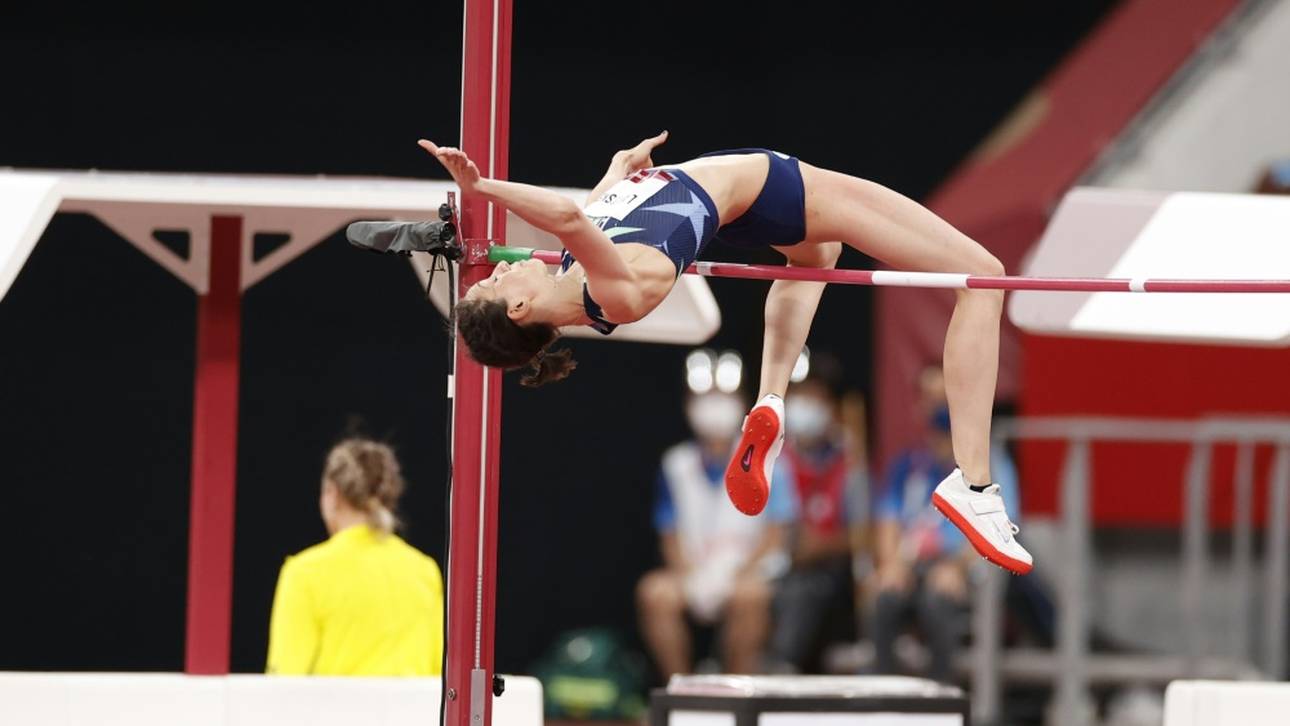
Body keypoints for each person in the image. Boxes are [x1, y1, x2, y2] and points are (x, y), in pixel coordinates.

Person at [420, 132, 1031, 575]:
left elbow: (591, 216)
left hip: (728, 201)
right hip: (766, 188)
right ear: (520, 313)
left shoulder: (582, 280)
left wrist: (616, 171)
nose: (508, 266)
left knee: (816, 259)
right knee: (981, 276)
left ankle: (770, 401)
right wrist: (479, 187)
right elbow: (563, 215)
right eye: (501, 284)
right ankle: (974, 483)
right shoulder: (606, 288)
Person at [636, 388, 796, 678]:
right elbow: (668, 534)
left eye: (724, 396)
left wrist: (741, 571)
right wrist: (689, 572)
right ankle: (681, 689)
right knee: (654, 593)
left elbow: (776, 536)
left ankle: (733, 689)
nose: (714, 407)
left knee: (751, 596)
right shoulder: (676, 464)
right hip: (694, 568)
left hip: (746, 569)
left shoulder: (770, 460)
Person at [869, 384, 1021, 683]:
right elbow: (888, 520)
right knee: (884, 596)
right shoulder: (909, 465)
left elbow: (999, 528)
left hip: (964, 567)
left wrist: (957, 567)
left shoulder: (990, 467)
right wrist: (892, 566)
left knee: (936, 599)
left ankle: (941, 694)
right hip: (914, 564)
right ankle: (881, 691)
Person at [267, 438, 444, 675]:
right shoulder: (424, 571)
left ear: (332, 494)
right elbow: (440, 671)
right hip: (414, 713)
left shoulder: (305, 573)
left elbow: (285, 679)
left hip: (334, 712)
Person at [767, 368, 870, 672]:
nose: (805, 406)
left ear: (831, 409)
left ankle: (781, 668)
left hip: (829, 571)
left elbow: (863, 536)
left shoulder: (850, 462)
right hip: (780, 562)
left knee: (803, 590)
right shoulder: (777, 456)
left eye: (815, 398)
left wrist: (823, 545)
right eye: (800, 396)